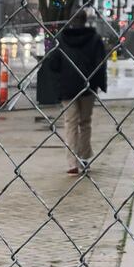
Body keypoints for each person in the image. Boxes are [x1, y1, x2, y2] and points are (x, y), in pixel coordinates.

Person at [36, 10, 110, 174]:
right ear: (85, 21)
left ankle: (72, 163)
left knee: (70, 123)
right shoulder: (94, 39)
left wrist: (58, 82)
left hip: (67, 87)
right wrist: (100, 84)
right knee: (85, 123)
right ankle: (84, 158)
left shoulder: (61, 39)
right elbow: (100, 64)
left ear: (70, 21)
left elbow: (53, 63)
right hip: (87, 86)